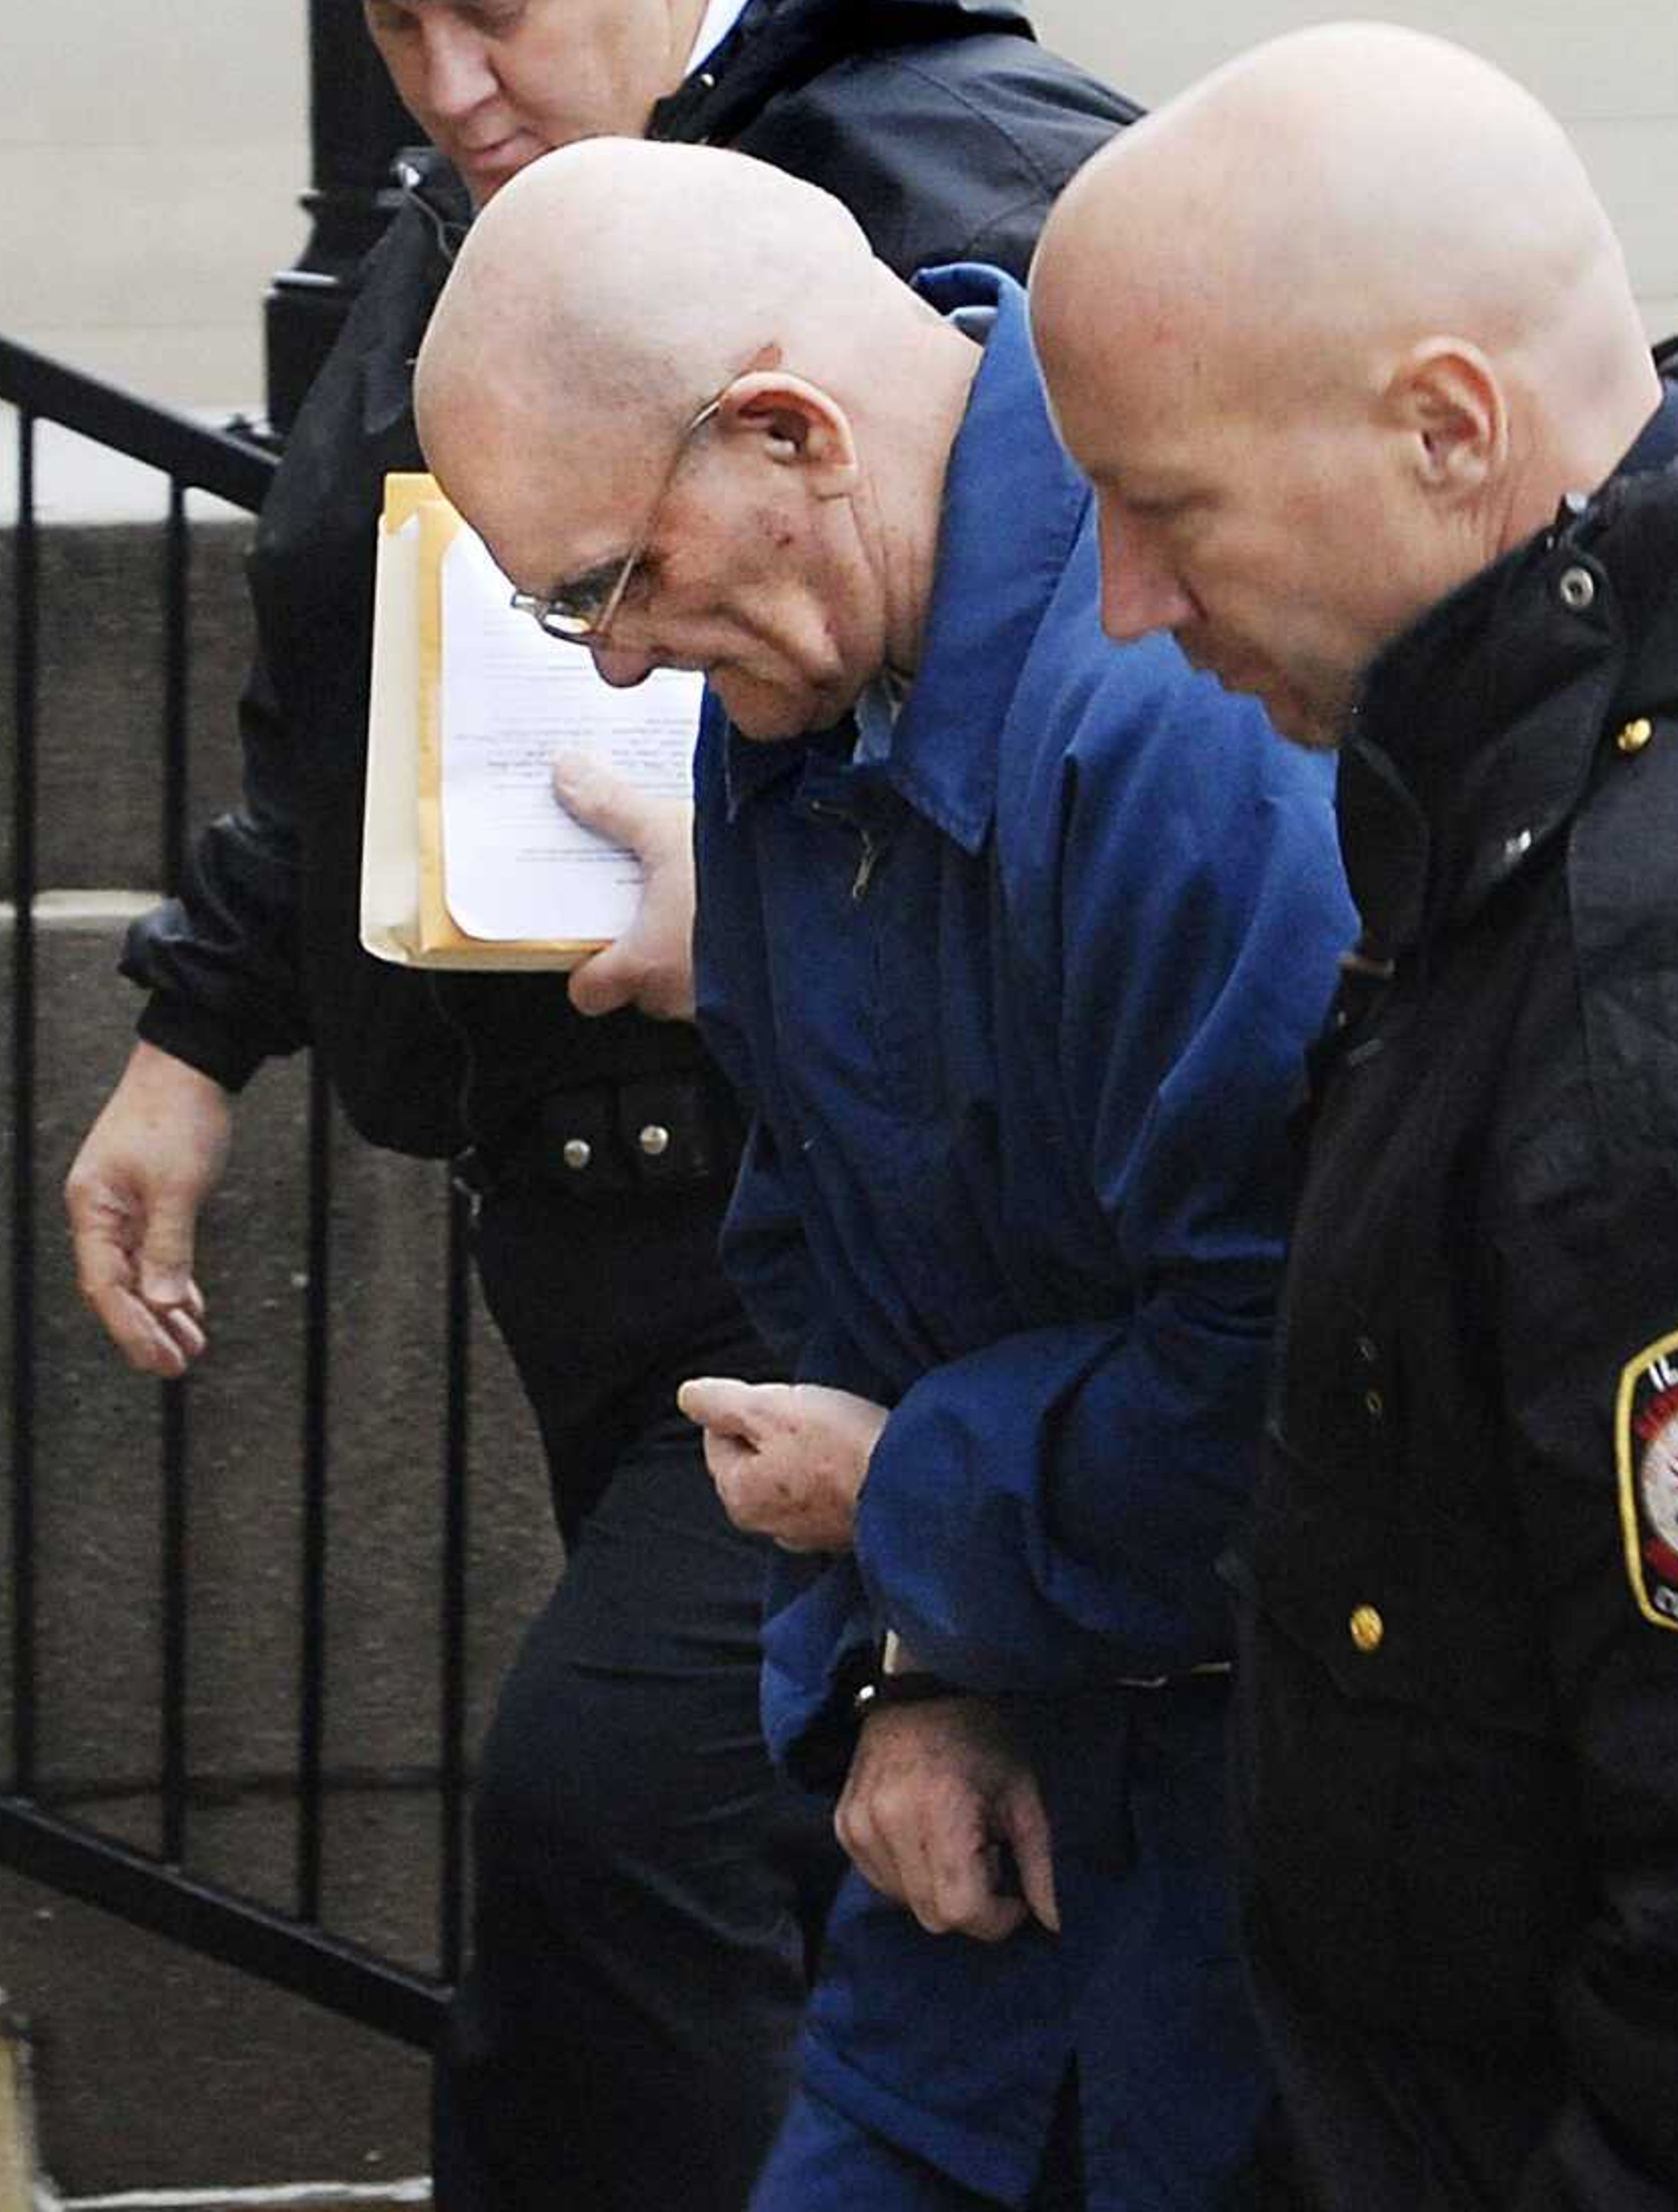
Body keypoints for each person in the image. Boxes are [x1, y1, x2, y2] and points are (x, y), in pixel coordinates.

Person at [60, 0, 1139, 2204]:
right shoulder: (504, 196)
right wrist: (193, 1029)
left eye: (500, 16)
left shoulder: (957, 160)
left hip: (877, 1215)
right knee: (820, 1882)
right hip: (620, 1225)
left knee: (622, 1838)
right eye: (392, 35)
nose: (445, 86)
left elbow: (1211, 580)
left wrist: (775, 911)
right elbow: (342, 676)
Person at [413, 136, 1353, 2212]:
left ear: (786, 433)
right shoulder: (814, 683)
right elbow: (809, 1252)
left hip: (1260, 1881)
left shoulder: (1168, 714)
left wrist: (902, 1496)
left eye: (607, 581)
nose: (620, 667)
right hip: (1002, 1879)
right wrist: (907, 1669)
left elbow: (1298, 1367)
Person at [1031, 20, 1678, 2208]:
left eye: (1170, 512)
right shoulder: (1527, 798)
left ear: (1448, 427)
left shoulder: (1658, 975)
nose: (1130, 608)